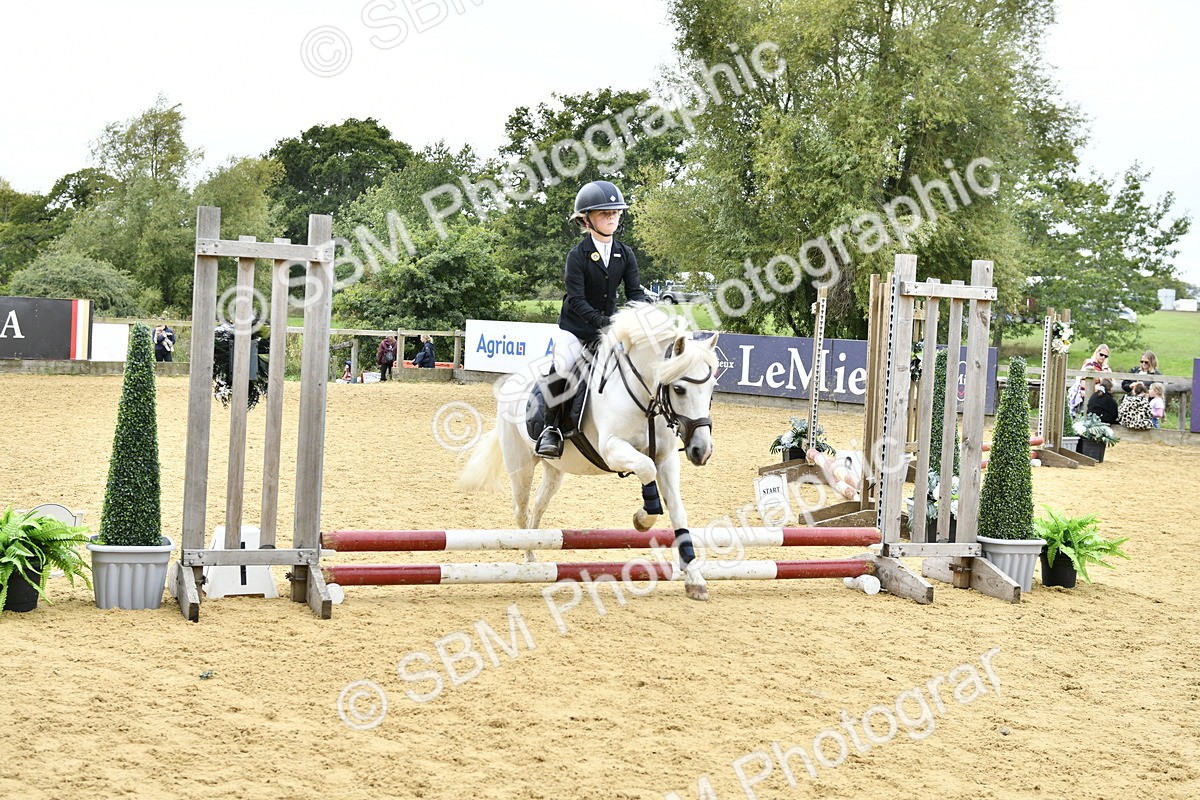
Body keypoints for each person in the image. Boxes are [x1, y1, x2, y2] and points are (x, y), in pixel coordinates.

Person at [536, 180, 647, 458]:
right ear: (587, 219)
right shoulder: (577, 256)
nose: (612, 217)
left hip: (609, 328)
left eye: (615, 212)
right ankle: (551, 429)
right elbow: (576, 299)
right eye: (604, 213)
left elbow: (635, 292)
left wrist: (642, 314)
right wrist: (603, 323)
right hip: (577, 328)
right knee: (563, 365)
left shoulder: (625, 253)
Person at [1069, 344, 1111, 413]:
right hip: (1085, 396)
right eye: (1101, 354)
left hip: (1099, 399)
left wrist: (1099, 378)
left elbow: (1109, 380)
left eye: (1105, 356)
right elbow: (1087, 377)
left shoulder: (1105, 367)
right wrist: (1100, 378)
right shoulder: (1089, 362)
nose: (1103, 357)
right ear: (1096, 353)